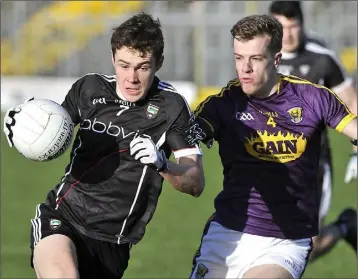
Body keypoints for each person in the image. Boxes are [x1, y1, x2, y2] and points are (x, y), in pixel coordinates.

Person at [3, 13, 204, 279]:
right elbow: (49, 132)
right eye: (123, 65)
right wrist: (24, 126)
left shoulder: (172, 107)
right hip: (64, 216)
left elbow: (196, 182)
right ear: (112, 59)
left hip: (114, 242)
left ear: (159, 63)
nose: (131, 77)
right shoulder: (88, 89)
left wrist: (162, 164)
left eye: (142, 67)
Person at [186, 14, 357, 279]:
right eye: (238, 57)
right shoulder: (223, 104)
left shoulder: (313, 98)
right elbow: (187, 139)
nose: (245, 68)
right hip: (227, 234)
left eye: (255, 58)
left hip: (285, 241)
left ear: (276, 59)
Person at [269, 1, 357, 260]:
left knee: (305, 250)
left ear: (303, 23)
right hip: (267, 162)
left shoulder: (322, 58)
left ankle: (346, 225)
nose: (289, 34)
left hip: (313, 165)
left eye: (294, 26)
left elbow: (351, 102)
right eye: (282, 27)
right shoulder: (260, 55)